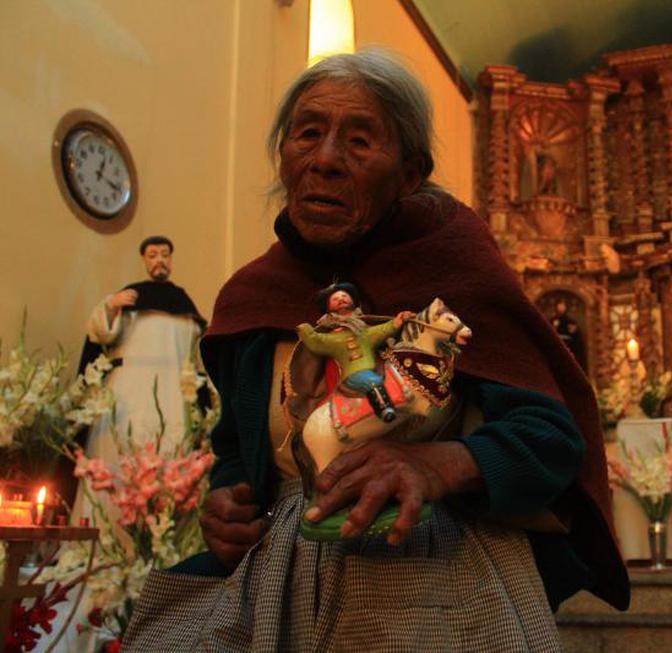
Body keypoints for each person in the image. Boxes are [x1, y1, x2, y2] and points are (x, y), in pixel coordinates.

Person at [123, 50, 628, 651]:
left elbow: (552, 443)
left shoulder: (458, 276)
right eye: (307, 133)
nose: (326, 160)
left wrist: (436, 464)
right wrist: (228, 504)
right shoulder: (255, 298)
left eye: (360, 142)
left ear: (410, 173)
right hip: (281, 594)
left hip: (442, 589)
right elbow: (237, 449)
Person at [75, 236, 207, 494]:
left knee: (173, 455)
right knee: (118, 449)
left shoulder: (183, 302)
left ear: (171, 259)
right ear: (144, 260)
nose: (159, 260)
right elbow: (100, 334)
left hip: (173, 393)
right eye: (153, 254)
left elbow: (196, 351)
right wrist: (111, 306)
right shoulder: (130, 297)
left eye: (165, 254)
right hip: (128, 391)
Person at [297, 281, 412, 422]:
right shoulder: (332, 338)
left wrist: (397, 322)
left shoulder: (364, 332)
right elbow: (317, 341)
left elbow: (381, 331)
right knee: (372, 381)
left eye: (344, 295)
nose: (341, 299)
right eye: (335, 299)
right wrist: (305, 331)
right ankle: (384, 408)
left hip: (378, 365)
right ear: (328, 308)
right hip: (353, 373)